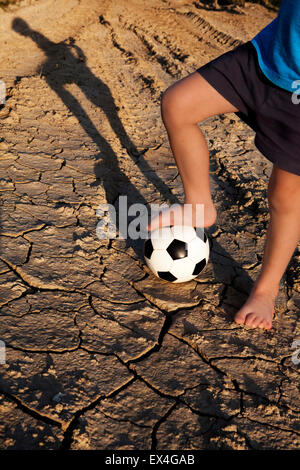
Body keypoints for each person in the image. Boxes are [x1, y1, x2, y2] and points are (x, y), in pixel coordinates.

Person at [147, 0, 300, 330]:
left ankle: (265, 289)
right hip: (266, 58)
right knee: (179, 104)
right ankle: (199, 205)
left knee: (285, 197)